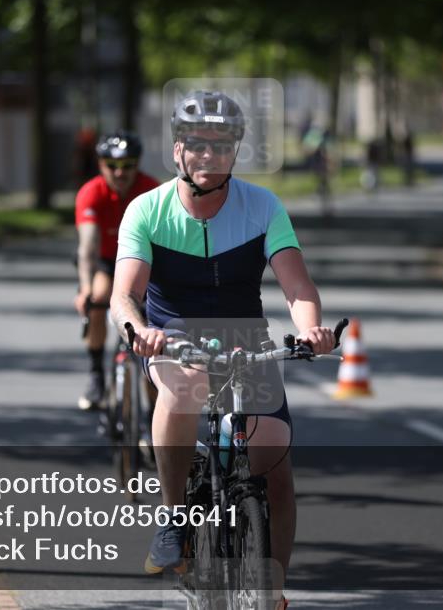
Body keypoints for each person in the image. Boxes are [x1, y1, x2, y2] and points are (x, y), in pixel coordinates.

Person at [111, 90, 334, 608]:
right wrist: (137, 328)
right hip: (172, 335)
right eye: (196, 144)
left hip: (244, 341)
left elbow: (297, 286)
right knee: (183, 389)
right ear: (177, 150)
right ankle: (174, 521)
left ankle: (273, 593)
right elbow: (126, 294)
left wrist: (311, 329)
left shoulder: (263, 206)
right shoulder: (147, 210)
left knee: (275, 469)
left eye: (221, 144)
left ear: (236, 151)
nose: (208, 155)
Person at [74, 132, 159, 410]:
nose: (120, 172)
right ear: (100, 165)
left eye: (128, 165)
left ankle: (153, 419)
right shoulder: (91, 193)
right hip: (107, 262)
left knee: (152, 326)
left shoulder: (152, 190)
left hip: (145, 264)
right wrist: (85, 289)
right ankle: (96, 373)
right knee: (98, 297)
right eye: (112, 165)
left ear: (138, 164)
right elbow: (87, 247)